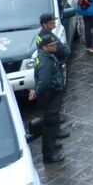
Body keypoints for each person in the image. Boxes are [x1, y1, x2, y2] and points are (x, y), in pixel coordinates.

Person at [28, 32, 65, 163]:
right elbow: (44, 82)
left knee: (53, 123)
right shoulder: (45, 62)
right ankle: (49, 155)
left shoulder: (45, 55)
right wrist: (37, 92)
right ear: (44, 47)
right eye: (52, 45)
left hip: (51, 95)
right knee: (50, 125)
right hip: (50, 97)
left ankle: (52, 145)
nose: (55, 46)